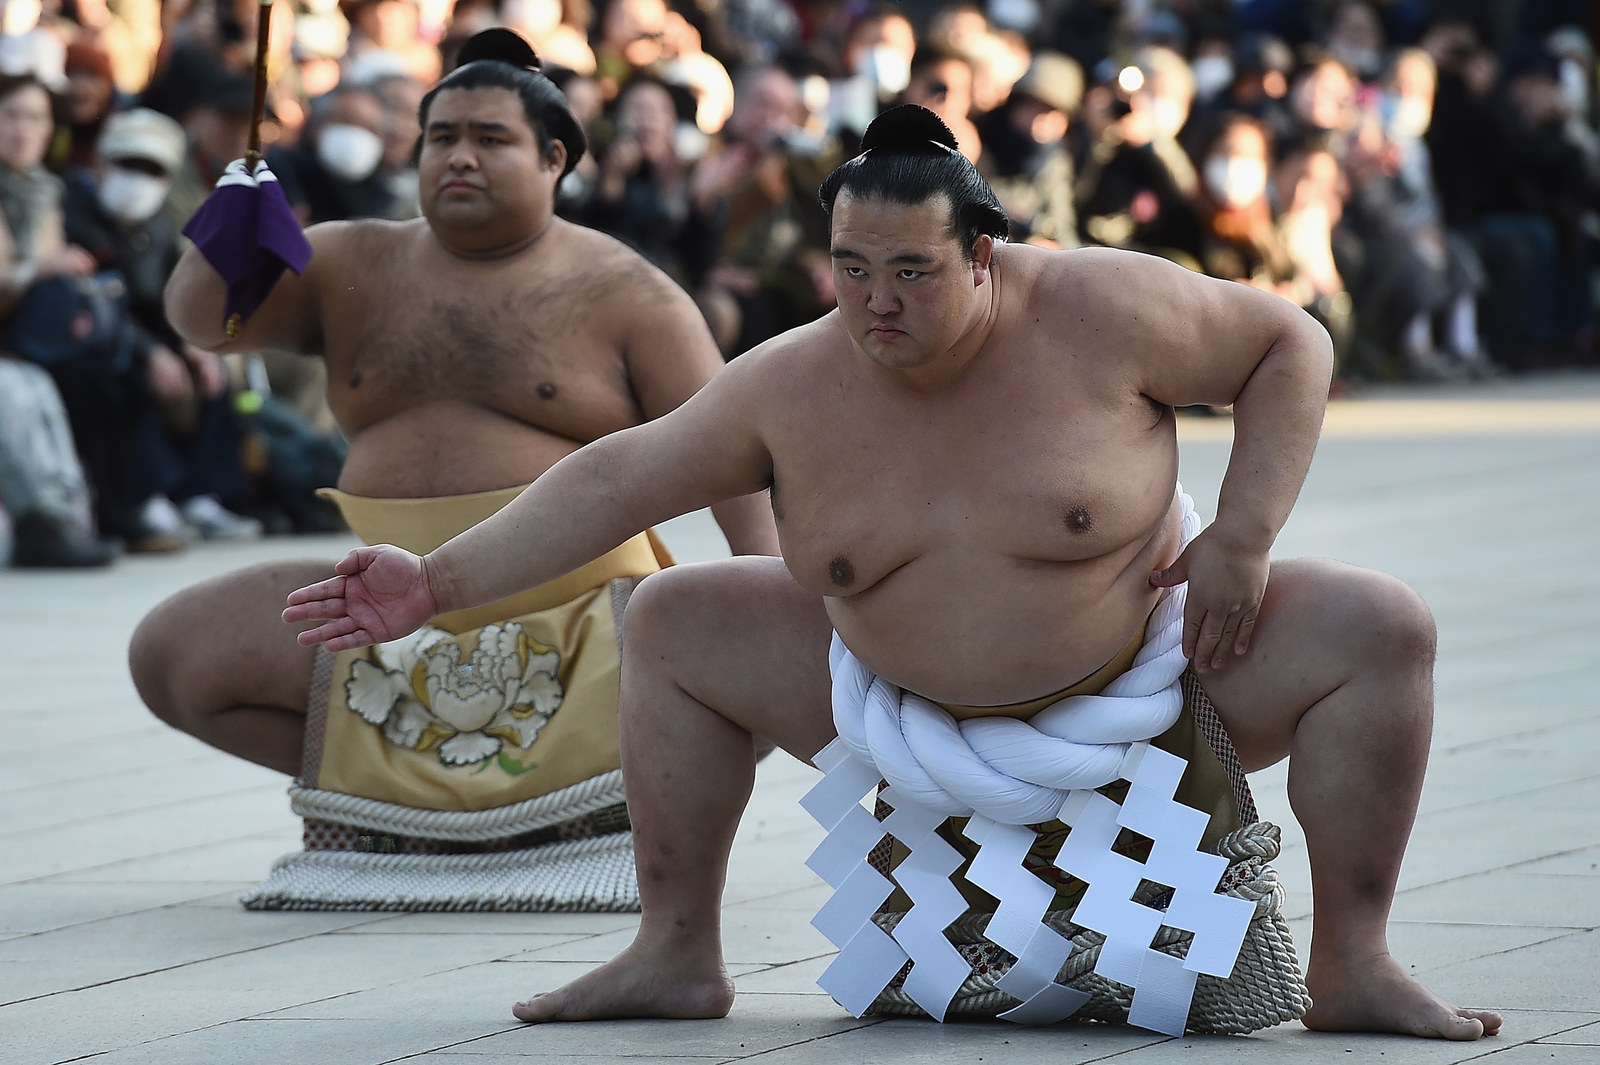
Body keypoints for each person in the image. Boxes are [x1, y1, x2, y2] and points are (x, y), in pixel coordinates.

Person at [282, 105, 1503, 1040]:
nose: (875, 303)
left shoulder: (1103, 307)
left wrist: (1241, 535)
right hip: (889, 710)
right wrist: (435, 584)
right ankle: (674, 949)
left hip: (1158, 685)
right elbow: (619, 477)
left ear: (983, 253)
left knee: (1378, 626)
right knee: (677, 614)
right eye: (850, 269)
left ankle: (1355, 962)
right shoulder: (792, 379)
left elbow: (1288, 342)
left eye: (910, 272)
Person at [130, 30, 776, 800]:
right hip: (383, 615)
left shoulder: (630, 292)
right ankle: (418, 795)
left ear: (554, 160)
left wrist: (766, 595)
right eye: (442, 137)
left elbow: (735, 456)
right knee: (175, 652)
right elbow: (204, 323)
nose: (460, 156)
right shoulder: (345, 261)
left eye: (490, 138)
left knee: (735, 655)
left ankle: (577, 787)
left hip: (589, 627)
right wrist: (225, 231)